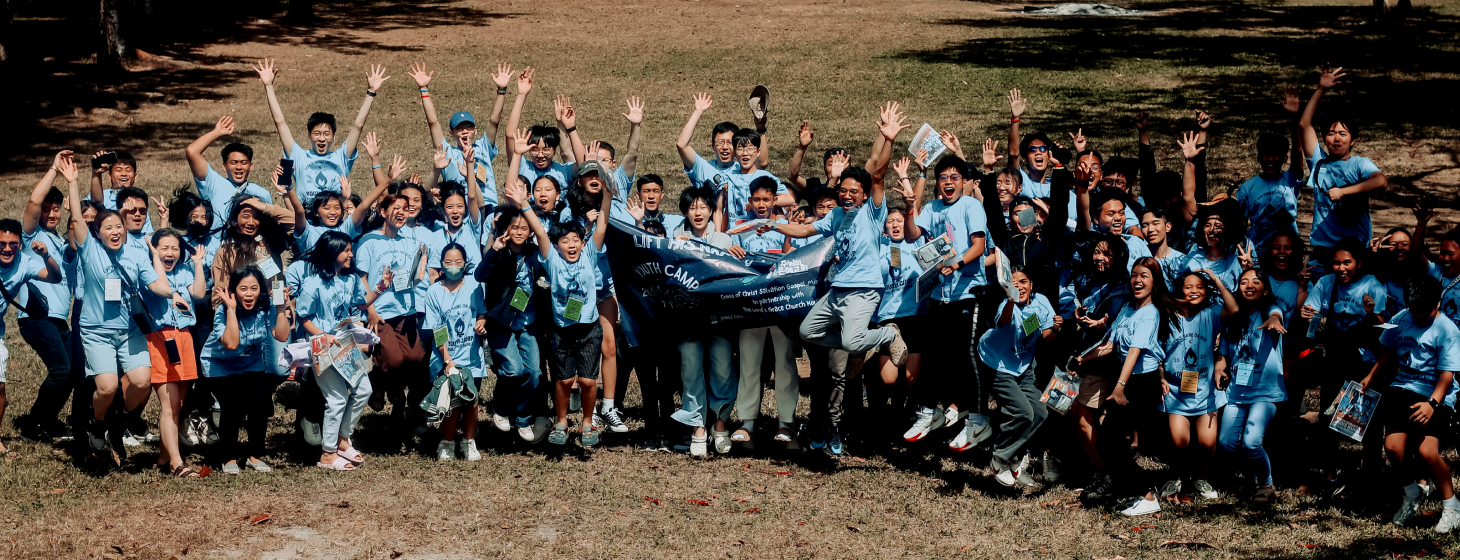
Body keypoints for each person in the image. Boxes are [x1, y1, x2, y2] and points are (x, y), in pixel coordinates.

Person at [766, 102, 911, 440]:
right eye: (843, 191)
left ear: (864, 195)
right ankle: (861, 343)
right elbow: (805, 230)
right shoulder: (834, 216)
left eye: (853, 192)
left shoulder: (872, 212)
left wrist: (887, 138)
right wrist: (770, 224)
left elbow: (878, 172)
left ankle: (887, 335)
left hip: (863, 289)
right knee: (808, 331)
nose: (846, 195)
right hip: (837, 291)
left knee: (849, 341)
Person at [60, 152, 173, 461]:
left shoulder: (134, 254)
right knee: (107, 387)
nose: (115, 232)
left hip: (128, 330)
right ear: (97, 233)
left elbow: (155, 283)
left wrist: (173, 293)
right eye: (108, 228)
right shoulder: (90, 250)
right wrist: (73, 182)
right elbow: (76, 220)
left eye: (118, 227)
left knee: (142, 381)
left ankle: (119, 419)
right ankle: (98, 424)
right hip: (96, 331)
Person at [508, 149, 612, 449]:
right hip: (561, 330)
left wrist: (607, 194)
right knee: (564, 381)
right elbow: (540, 232)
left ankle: (588, 422)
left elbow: (602, 224)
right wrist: (524, 204)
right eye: (565, 241)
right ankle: (562, 421)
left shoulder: (589, 253)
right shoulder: (551, 259)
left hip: (588, 328)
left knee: (588, 381)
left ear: (582, 242)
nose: (571, 245)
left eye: (576, 240)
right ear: (557, 245)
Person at [902, 154, 992, 447]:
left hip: (969, 293)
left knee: (968, 356)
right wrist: (909, 208)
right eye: (943, 177)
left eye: (955, 177)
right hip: (940, 295)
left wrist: (956, 263)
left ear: (964, 181)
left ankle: (978, 420)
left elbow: (979, 246)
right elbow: (911, 235)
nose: (949, 182)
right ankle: (930, 412)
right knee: (934, 355)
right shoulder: (932, 207)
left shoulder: (971, 206)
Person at [1072, 257, 1173, 516]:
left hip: (1142, 383)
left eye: (1144, 276)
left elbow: (1135, 352)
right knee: (1109, 441)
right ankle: (1132, 490)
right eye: (1134, 275)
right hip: (1128, 380)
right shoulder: (1129, 307)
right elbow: (1110, 344)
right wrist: (1082, 358)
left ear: (1154, 282)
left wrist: (1119, 387)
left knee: (1111, 442)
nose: (1138, 280)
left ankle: (1146, 496)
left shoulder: (1151, 313)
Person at [1360, 276, 1460, 532]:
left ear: (1439, 303)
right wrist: (1371, 376)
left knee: (1427, 451)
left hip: (1435, 394)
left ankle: (1452, 506)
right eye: (1416, 312)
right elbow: (1388, 350)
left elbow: (1447, 375)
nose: (1420, 317)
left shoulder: (1447, 330)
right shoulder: (1401, 317)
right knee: (1393, 448)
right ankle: (1412, 494)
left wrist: (1432, 404)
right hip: (1402, 387)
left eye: (1427, 312)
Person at [295, 231, 385, 471]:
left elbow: (360, 305)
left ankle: (342, 440)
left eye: (350, 250)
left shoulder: (351, 279)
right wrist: (322, 336)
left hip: (345, 345)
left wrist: (380, 288)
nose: (351, 254)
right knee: (336, 399)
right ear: (331, 252)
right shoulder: (312, 284)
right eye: (345, 250)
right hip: (322, 349)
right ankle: (327, 454)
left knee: (364, 390)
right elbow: (303, 317)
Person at [666, 186, 739, 457]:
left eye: (703, 207)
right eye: (692, 207)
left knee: (722, 368)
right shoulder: (676, 238)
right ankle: (698, 427)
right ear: (685, 212)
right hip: (688, 318)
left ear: (711, 210)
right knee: (691, 369)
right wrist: (674, 247)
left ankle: (720, 424)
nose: (698, 212)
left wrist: (735, 253)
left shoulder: (724, 240)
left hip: (719, 317)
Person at [477, 164, 547, 443]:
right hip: (501, 323)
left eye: (524, 227)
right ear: (505, 229)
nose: (519, 231)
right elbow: (480, 275)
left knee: (534, 373)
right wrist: (493, 251)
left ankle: (523, 417)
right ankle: (501, 406)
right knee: (513, 371)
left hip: (528, 323)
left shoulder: (534, 255)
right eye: (514, 227)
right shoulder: (499, 253)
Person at [14, 151, 80, 444]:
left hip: (59, 320)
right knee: (61, 369)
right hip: (36, 317)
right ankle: (32, 425)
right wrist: (54, 169)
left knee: (73, 371)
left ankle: (47, 420)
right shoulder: (31, 237)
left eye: (56, 209)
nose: (51, 214)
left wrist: (73, 195)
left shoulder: (60, 241)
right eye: (47, 209)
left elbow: (78, 234)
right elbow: (32, 203)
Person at [255, 59, 384, 205]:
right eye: (317, 134)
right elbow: (280, 123)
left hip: (334, 215)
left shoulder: (341, 158)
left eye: (326, 134)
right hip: (305, 216)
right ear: (309, 135)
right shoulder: (299, 156)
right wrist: (268, 86)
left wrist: (371, 92)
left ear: (333, 137)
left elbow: (357, 126)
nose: (322, 138)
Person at [200, 267, 291, 474]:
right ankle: (228, 457)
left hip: (250, 363)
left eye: (254, 288)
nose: (249, 294)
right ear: (234, 291)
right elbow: (231, 344)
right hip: (219, 364)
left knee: (260, 403)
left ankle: (254, 456)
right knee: (233, 405)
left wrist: (280, 309)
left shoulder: (266, 308)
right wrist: (231, 310)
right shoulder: (223, 310)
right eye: (243, 289)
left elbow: (282, 335)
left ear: (261, 290)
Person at [730, 178, 799, 447]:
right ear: (750, 201)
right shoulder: (739, 228)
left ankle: (786, 423)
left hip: (781, 304)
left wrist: (788, 231)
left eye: (766, 200)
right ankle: (747, 422)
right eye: (756, 199)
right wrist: (730, 249)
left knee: (785, 362)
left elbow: (793, 257)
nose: (761, 204)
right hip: (751, 306)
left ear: (774, 201)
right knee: (748, 363)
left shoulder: (784, 227)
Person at [1158, 270, 1238, 501]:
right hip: (1175, 392)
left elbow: (1233, 309)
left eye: (1200, 287)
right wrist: (1161, 377)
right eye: (1188, 287)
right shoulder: (1167, 316)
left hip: (1206, 392)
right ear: (1179, 291)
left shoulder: (1210, 314)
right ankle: (1176, 478)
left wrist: (1216, 280)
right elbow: (1158, 354)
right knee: (1179, 443)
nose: (1194, 291)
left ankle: (1201, 479)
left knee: (1207, 443)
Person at [355, 193, 430, 436]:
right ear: (382, 211)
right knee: (393, 359)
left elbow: (411, 278)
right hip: (379, 312)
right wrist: (370, 311)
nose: (401, 212)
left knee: (416, 357)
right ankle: (386, 388)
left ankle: (388, 388)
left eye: (405, 208)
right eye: (396, 208)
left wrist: (420, 271)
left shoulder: (409, 241)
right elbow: (361, 278)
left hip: (405, 310)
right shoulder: (368, 241)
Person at [978, 267, 1059, 486]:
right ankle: (999, 458)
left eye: (1023, 282)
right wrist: (1011, 300)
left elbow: (1044, 337)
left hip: (1023, 366)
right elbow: (1003, 322)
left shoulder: (1041, 303)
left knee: (1040, 412)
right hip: (997, 364)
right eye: (1014, 283)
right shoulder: (1006, 306)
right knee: (1022, 412)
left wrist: (1055, 329)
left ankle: (1014, 457)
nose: (1019, 287)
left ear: (1031, 284)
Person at [1298, 64, 1387, 257]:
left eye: (1343, 134)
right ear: (1324, 139)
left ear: (1353, 140)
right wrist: (1321, 89)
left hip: (1355, 249)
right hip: (1323, 248)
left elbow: (1381, 181)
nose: (1336, 138)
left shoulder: (1359, 164)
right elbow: (1304, 124)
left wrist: (1343, 192)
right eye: (1331, 133)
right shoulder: (1318, 161)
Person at [1218, 268, 1289, 504]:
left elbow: (1276, 313)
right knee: (1227, 443)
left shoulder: (1270, 311)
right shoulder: (1233, 318)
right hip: (1237, 392)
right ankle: (1248, 479)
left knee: (1251, 442)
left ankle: (1266, 485)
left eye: (1256, 281)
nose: (1249, 285)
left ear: (1265, 289)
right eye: (1244, 281)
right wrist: (1219, 369)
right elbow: (1223, 354)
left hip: (1265, 393)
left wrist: (1275, 319)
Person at [141, 230, 207, 477]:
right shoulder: (148, 273)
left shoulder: (185, 271)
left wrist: (197, 264)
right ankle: (176, 463)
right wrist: (154, 258)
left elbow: (199, 294)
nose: (170, 253)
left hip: (184, 337)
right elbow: (162, 286)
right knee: (169, 404)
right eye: (164, 248)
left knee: (178, 404)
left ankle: (163, 456)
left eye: (175, 248)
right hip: (161, 338)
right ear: (154, 250)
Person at [408, 61, 510, 208]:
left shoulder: (484, 147)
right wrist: (424, 89)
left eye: (469, 127)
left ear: (475, 130)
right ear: (452, 133)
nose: (465, 131)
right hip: (459, 210)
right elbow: (433, 123)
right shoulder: (446, 152)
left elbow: (494, 121)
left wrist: (501, 90)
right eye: (459, 128)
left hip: (487, 208)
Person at [424, 243, 489, 461]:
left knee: (472, 400)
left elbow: (481, 313)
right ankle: (447, 442)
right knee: (452, 401)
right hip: (446, 356)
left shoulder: (474, 286)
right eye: (448, 262)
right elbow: (438, 330)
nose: (453, 266)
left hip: (471, 356)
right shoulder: (434, 292)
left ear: (466, 264)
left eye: (458, 262)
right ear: (441, 265)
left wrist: (481, 324)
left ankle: (469, 442)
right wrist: (447, 361)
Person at [1233, 88, 1305, 251]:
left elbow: (1297, 152)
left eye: (1276, 155)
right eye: (1266, 155)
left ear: (1284, 159)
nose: (1270, 159)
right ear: (1258, 158)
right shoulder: (1247, 188)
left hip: (1287, 251)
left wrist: (1295, 117)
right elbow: (1240, 225)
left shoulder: (1290, 180)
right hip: (1258, 251)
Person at [184, 116, 275, 242]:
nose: (239, 167)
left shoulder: (262, 194)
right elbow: (192, 152)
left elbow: (269, 229)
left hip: (247, 251)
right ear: (224, 166)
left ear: (251, 166)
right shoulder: (213, 183)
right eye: (233, 162)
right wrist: (216, 133)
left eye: (244, 163)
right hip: (215, 251)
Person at [87, 150, 155, 235]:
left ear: (135, 176)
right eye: (118, 170)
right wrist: (97, 174)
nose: (124, 174)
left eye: (128, 170)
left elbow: (148, 234)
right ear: (110, 176)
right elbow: (95, 203)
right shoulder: (100, 195)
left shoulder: (139, 204)